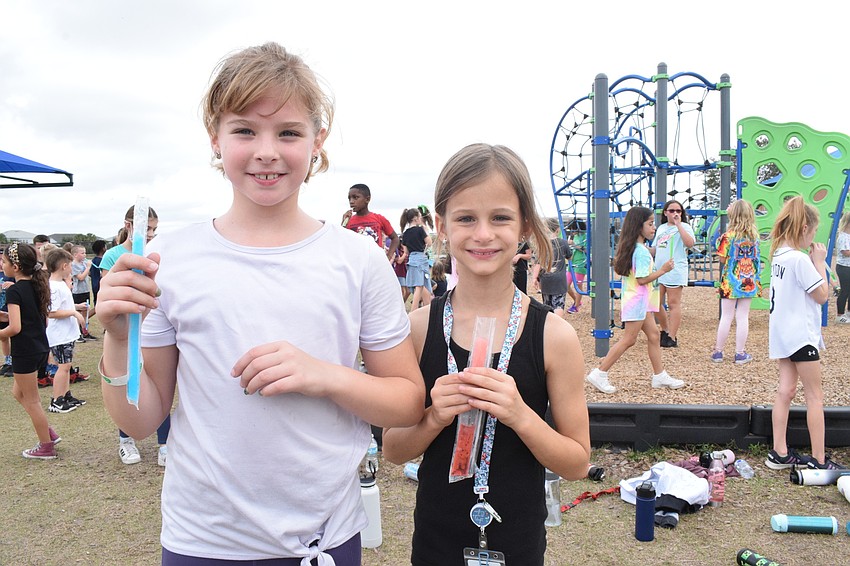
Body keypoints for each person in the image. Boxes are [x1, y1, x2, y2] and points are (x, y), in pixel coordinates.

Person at [96, 42, 424, 564]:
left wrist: (324, 375)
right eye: (245, 130)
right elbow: (141, 421)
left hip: (325, 538)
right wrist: (117, 338)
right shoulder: (167, 260)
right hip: (202, 541)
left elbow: (407, 402)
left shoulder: (358, 260)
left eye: (289, 132)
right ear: (216, 139)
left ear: (317, 141)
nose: (267, 150)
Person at [382, 143, 591, 565]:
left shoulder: (553, 336)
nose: (482, 234)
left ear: (525, 226)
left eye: (500, 217)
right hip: (435, 538)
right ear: (441, 225)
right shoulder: (419, 328)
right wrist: (434, 416)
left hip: (516, 539)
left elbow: (577, 462)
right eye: (465, 218)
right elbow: (394, 450)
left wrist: (520, 414)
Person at [765, 196, 844, 471]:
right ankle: (820, 460)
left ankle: (779, 451)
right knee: (814, 396)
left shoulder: (779, 255)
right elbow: (822, 296)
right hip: (801, 335)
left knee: (785, 391)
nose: (813, 237)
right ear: (803, 229)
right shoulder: (799, 260)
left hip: (783, 334)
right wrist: (820, 262)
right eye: (812, 232)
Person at [585, 206, 684, 394]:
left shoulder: (638, 249)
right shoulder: (641, 252)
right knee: (629, 339)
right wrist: (663, 270)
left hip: (640, 300)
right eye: (650, 224)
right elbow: (642, 279)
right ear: (639, 226)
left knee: (654, 335)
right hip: (637, 301)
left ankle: (659, 375)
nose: (653, 227)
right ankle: (600, 372)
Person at [99, 204, 169, 466]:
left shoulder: (158, 253)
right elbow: (108, 292)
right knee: (127, 380)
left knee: (159, 387)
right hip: (125, 329)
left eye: (154, 229)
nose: (150, 234)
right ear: (130, 226)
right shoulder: (113, 255)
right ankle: (125, 441)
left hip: (154, 327)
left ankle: (164, 444)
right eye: (146, 228)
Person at [0, 243, 61, 459]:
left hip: (24, 351)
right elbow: (36, 320)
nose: (2, 264)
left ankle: (46, 446)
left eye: (4, 262)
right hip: (39, 348)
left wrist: (3, 331)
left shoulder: (15, 290)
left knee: (33, 401)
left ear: (15, 266)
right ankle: (48, 433)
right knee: (18, 393)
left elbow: (15, 328)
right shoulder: (36, 286)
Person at [711, 199, 762, 364]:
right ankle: (740, 353)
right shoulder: (754, 236)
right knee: (743, 316)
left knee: (726, 316)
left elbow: (721, 258)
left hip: (730, 280)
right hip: (749, 280)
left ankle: (718, 352)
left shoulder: (728, 236)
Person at [45, 248, 87, 413]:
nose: (71, 268)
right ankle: (56, 400)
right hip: (59, 335)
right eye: (69, 265)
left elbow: (64, 306)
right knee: (62, 367)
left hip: (67, 334)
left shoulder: (60, 285)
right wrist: (73, 312)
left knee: (66, 365)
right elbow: (52, 312)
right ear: (63, 266)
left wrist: (76, 307)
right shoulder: (54, 287)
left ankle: (66, 395)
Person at [652, 200, 695, 347]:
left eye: (678, 211)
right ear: (665, 213)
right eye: (672, 211)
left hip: (675, 269)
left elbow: (690, 243)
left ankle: (672, 336)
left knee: (673, 303)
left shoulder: (685, 227)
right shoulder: (661, 228)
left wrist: (679, 225)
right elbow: (656, 249)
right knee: (655, 302)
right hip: (659, 270)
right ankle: (665, 330)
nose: (675, 213)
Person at [341, 183, 399, 260]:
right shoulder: (349, 221)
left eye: (355, 197)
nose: (351, 201)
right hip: (356, 263)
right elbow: (341, 242)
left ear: (367, 199)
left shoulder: (379, 218)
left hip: (375, 262)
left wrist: (388, 257)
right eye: (349, 198)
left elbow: (395, 238)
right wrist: (343, 224)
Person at [532, 218, 571, 318]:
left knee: (547, 304)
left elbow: (538, 263)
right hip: (559, 279)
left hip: (545, 279)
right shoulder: (563, 243)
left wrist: (534, 278)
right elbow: (569, 257)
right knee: (558, 304)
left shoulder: (542, 244)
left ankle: (548, 326)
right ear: (557, 229)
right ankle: (558, 327)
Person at [401, 207, 433, 309]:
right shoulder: (420, 230)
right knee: (420, 286)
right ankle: (414, 311)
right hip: (421, 259)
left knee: (419, 286)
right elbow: (429, 242)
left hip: (412, 259)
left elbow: (406, 251)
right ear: (415, 218)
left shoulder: (405, 233)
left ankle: (426, 310)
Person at [70, 245, 95, 340]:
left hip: (86, 290)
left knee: (86, 311)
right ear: (75, 255)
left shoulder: (83, 263)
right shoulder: (73, 265)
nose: (85, 255)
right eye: (82, 253)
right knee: (78, 312)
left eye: (85, 252)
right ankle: (77, 333)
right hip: (78, 292)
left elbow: (88, 274)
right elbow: (80, 277)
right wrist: (88, 268)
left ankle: (84, 331)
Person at [566, 226, 587, 314]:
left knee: (578, 285)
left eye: (573, 229)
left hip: (580, 263)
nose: (572, 231)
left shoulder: (585, 236)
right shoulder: (574, 236)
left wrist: (574, 244)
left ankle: (576, 306)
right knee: (565, 284)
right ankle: (577, 300)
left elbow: (585, 250)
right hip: (572, 262)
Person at [833, 211, 850, 324]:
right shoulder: (843, 236)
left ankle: (848, 312)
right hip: (844, 268)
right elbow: (846, 252)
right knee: (845, 290)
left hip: (848, 267)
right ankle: (840, 315)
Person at [90, 239, 107, 306]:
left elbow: (90, 273)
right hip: (100, 286)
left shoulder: (93, 260)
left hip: (94, 285)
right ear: (103, 249)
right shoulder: (103, 261)